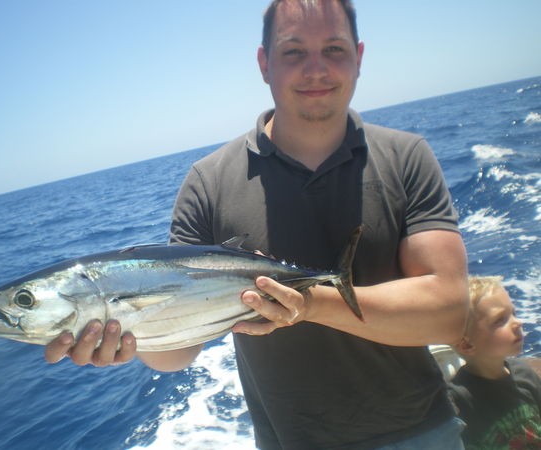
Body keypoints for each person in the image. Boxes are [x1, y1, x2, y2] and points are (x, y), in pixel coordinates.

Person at [45, 1, 470, 448]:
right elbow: (177, 353)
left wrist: (309, 305)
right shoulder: (209, 182)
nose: (315, 69)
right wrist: (122, 331)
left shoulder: (405, 157)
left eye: (334, 49)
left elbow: (449, 314)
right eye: (293, 52)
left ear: (359, 57)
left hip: (424, 432)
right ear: (264, 63)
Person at [448, 276, 541, 448]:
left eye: (513, 313)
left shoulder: (524, 374)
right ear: (467, 345)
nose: (518, 322)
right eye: (500, 319)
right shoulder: (457, 400)